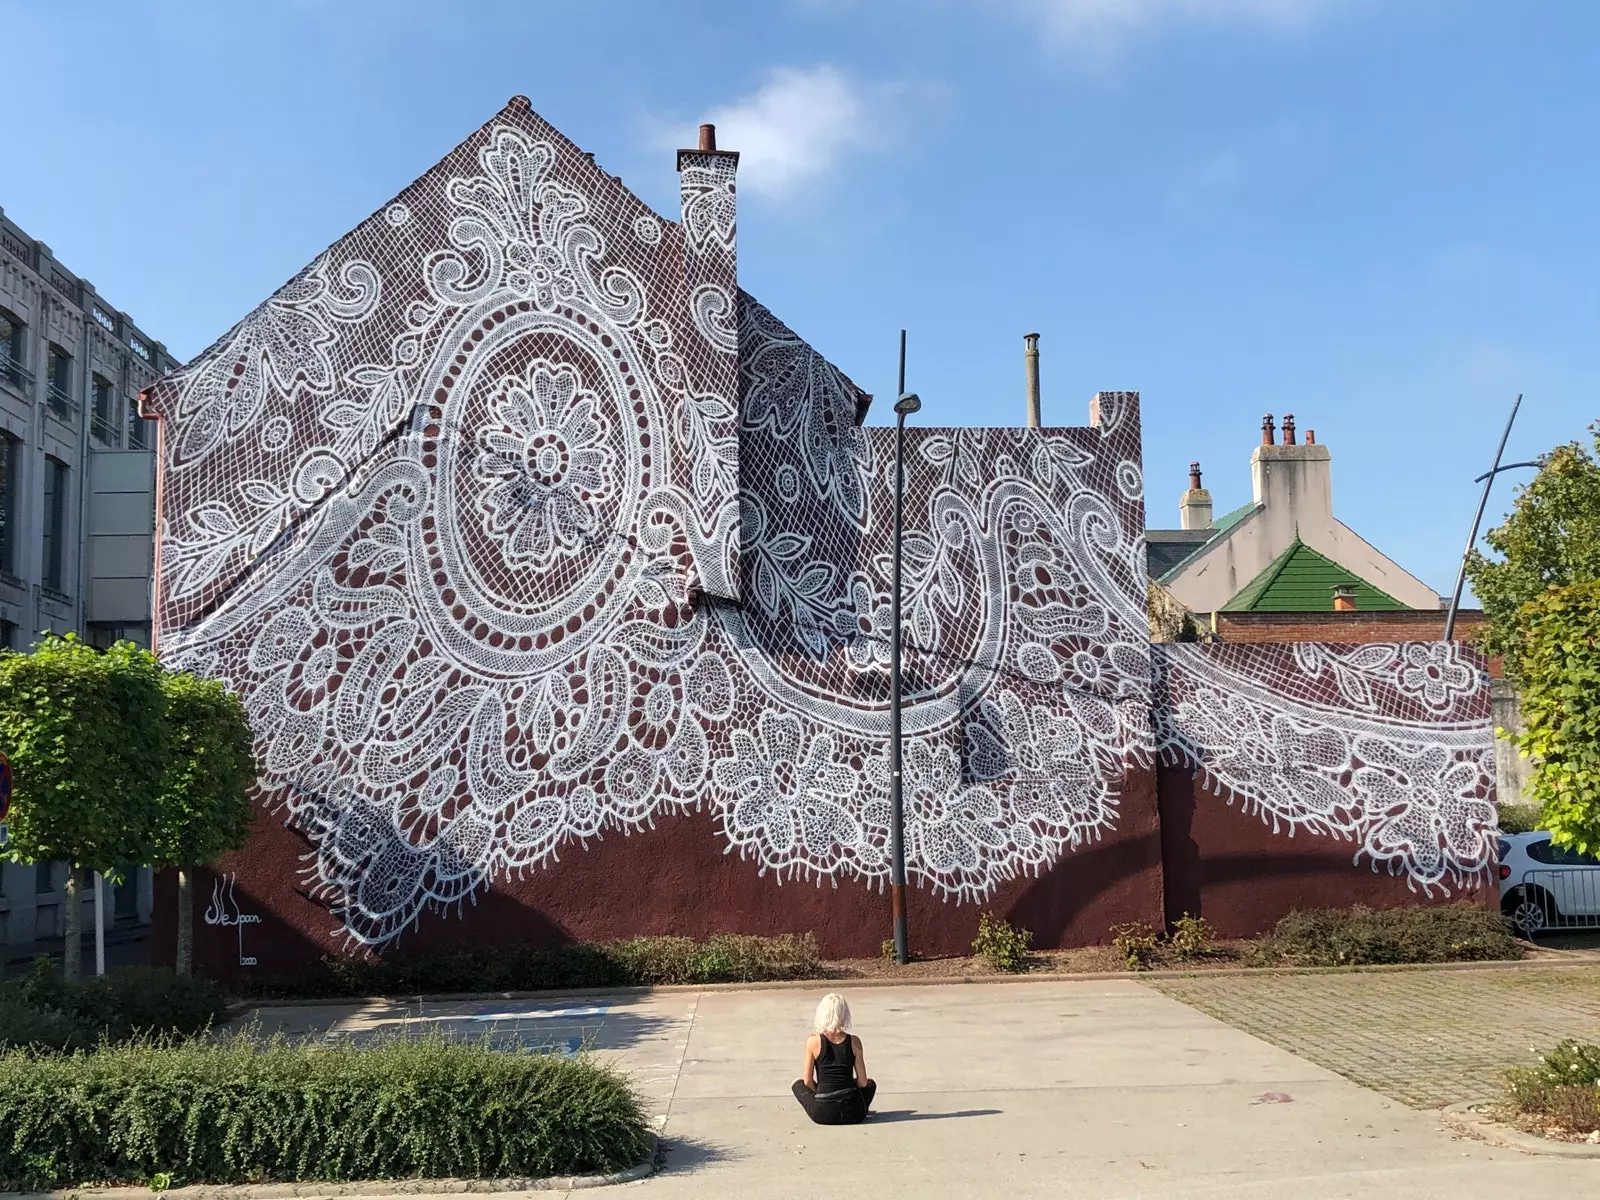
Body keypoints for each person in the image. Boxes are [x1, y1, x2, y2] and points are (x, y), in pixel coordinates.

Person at [792, 992, 876, 1125]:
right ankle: (860, 1106)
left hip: (823, 1114)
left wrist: (822, 1090)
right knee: (871, 1084)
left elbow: (807, 1081)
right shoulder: (854, 1042)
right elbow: (863, 1082)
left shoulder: (813, 1041)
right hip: (854, 1113)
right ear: (844, 1015)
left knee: (797, 1084)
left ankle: (825, 1102)